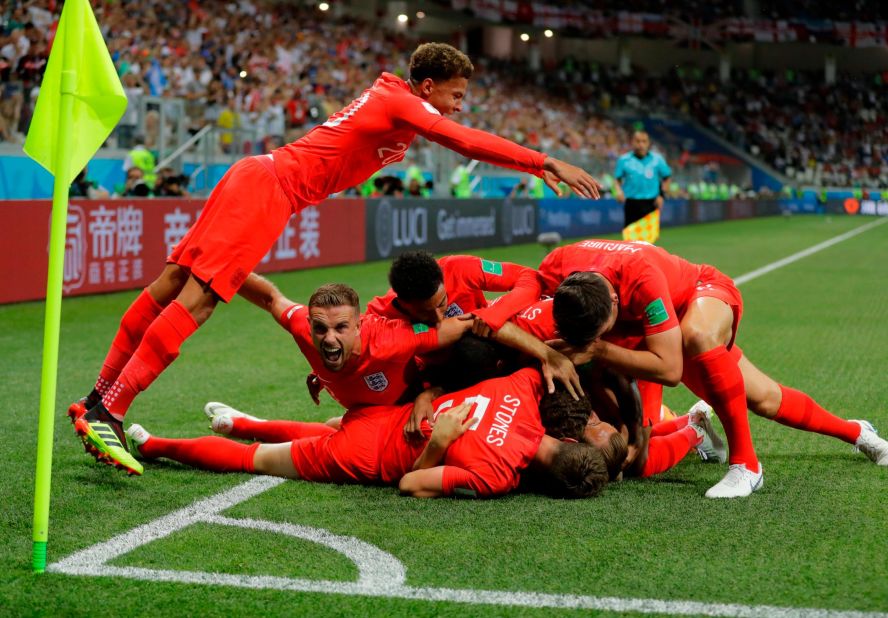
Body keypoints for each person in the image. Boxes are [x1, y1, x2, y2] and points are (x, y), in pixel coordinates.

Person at [69, 42, 602, 473]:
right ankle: (112, 411)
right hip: (269, 190)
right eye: (456, 95)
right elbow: (460, 141)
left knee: (171, 284)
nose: (459, 106)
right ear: (428, 87)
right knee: (197, 299)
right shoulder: (401, 101)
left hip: (262, 180)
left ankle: (97, 400)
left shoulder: (395, 103)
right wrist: (544, 162)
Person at [538, 239, 888, 498]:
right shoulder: (558, 268)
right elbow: (519, 283)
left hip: (700, 294)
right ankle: (856, 431)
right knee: (765, 400)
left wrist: (599, 348)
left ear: (613, 303)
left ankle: (746, 466)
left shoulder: (640, 279)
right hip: (655, 336)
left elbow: (669, 369)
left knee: (697, 334)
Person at [125, 367, 608, 499]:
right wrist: (439, 445)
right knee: (257, 461)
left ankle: (242, 423)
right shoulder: (498, 476)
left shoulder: (522, 390)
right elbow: (411, 484)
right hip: (369, 455)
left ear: (567, 440)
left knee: (320, 430)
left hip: (383, 413)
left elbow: (546, 364)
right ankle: (153, 445)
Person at [612, 131, 671, 228]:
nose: (641, 144)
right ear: (632, 142)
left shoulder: (657, 159)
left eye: (644, 141)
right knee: (631, 240)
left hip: (651, 204)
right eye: (638, 141)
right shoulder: (624, 160)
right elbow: (617, 180)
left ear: (648, 143)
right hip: (631, 203)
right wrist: (618, 192)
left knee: (649, 241)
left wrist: (662, 196)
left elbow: (667, 177)